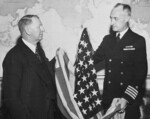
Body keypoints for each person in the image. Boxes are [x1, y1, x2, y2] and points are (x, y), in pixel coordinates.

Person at [1, 15, 64, 119]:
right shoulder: (14, 57)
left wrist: (58, 59)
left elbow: (42, 73)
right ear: (28, 30)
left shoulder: (38, 51)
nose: (43, 29)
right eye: (39, 26)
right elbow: (12, 99)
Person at [93, 3, 148, 119]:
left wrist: (126, 98)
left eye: (116, 19)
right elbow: (92, 60)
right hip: (109, 101)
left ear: (127, 18)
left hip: (128, 101)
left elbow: (140, 75)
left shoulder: (137, 41)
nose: (112, 22)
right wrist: (71, 66)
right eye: (111, 18)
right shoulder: (107, 40)